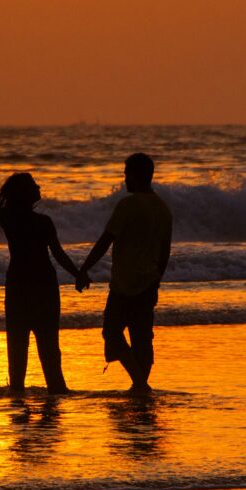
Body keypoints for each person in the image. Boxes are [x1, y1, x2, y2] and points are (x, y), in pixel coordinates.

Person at [0, 173, 83, 395]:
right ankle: (56, 392)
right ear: (26, 193)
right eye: (34, 185)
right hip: (44, 286)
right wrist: (78, 274)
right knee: (49, 348)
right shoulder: (43, 222)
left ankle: (18, 398)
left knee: (17, 348)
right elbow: (58, 254)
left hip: (18, 286)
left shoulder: (9, 218)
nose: (38, 187)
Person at [77, 153, 172, 393]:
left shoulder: (128, 205)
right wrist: (156, 280)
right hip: (149, 282)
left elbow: (105, 240)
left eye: (127, 173)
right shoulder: (163, 208)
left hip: (124, 284)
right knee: (142, 339)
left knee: (111, 334)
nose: (124, 178)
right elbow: (165, 251)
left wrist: (84, 268)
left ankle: (140, 385)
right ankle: (139, 387)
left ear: (137, 175)